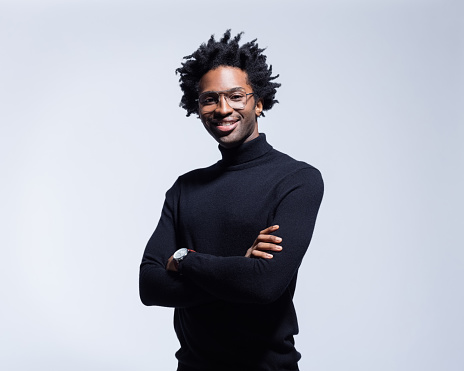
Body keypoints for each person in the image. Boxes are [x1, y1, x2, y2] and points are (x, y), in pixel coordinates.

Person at [139, 30, 324, 371]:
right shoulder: (185, 188)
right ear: (197, 108)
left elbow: (264, 284)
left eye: (235, 96)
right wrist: (240, 267)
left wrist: (185, 259)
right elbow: (150, 286)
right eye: (210, 99)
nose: (223, 109)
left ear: (259, 101)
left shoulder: (297, 180)